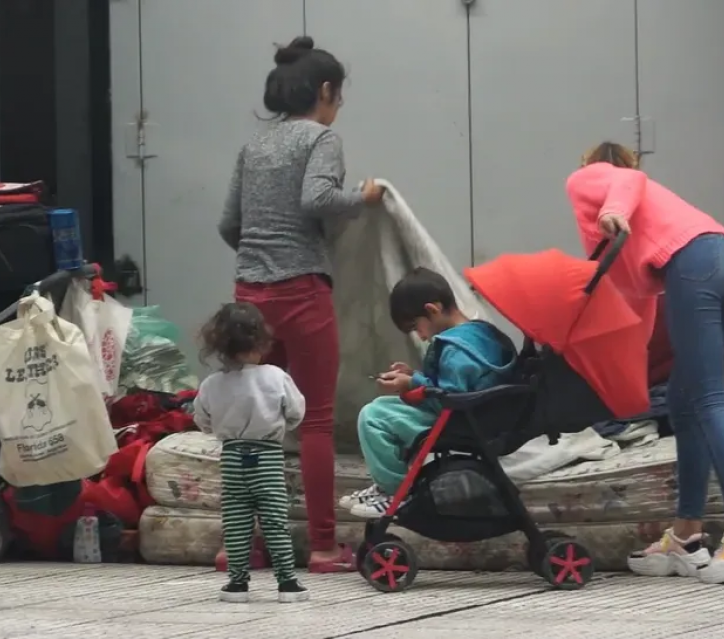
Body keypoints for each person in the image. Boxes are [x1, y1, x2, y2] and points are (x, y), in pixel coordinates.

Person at [565, 141, 724, 584]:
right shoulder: (648, 221)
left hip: (695, 262)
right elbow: (642, 302)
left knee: (707, 399)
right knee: (684, 404)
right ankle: (687, 538)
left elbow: (627, 180)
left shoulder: (594, 180)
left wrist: (612, 209)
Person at [216, 35, 385, 572]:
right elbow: (318, 200)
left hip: (249, 297)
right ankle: (320, 546)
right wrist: (365, 199)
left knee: (254, 424)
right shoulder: (320, 139)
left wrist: (257, 258)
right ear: (326, 91)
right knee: (313, 420)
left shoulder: (254, 146)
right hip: (302, 292)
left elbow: (229, 225)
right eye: (340, 97)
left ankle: (241, 546)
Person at [340, 267, 515, 518]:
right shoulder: (479, 332)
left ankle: (396, 491)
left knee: (373, 416)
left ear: (432, 310)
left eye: (416, 327)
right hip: (479, 416)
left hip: (460, 422)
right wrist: (412, 376)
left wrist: (412, 384)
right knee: (383, 407)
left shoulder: (456, 348)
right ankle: (389, 484)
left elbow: (450, 395)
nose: (421, 336)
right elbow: (456, 383)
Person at [192, 302, 310, 603]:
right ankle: (287, 584)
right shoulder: (275, 377)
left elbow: (202, 421)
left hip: (232, 458)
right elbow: (296, 412)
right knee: (274, 521)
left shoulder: (211, 384)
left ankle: (237, 584)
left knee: (236, 523)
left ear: (219, 345)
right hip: (267, 457)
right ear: (261, 341)